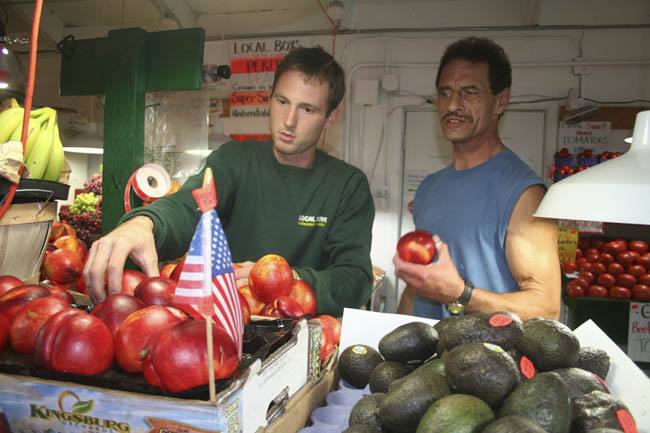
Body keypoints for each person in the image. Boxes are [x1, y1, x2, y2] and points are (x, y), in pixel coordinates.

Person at [84, 46, 375, 317]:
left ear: (330, 118)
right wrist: (144, 223)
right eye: (282, 101)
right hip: (231, 329)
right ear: (269, 99)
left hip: (305, 339)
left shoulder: (348, 186)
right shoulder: (235, 160)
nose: (288, 120)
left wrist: (284, 280)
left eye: (307, 109)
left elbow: (355, 279)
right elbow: (189, 205)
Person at [394, 37, 560, 321]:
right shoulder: (429, 188)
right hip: (428, 363)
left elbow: (547, 308)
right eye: (445, 93)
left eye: (469, 92)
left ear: (501, 101)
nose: (453, 105)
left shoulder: (524, 192)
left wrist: (460, 293)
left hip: (486, 362)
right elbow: (416, 290)